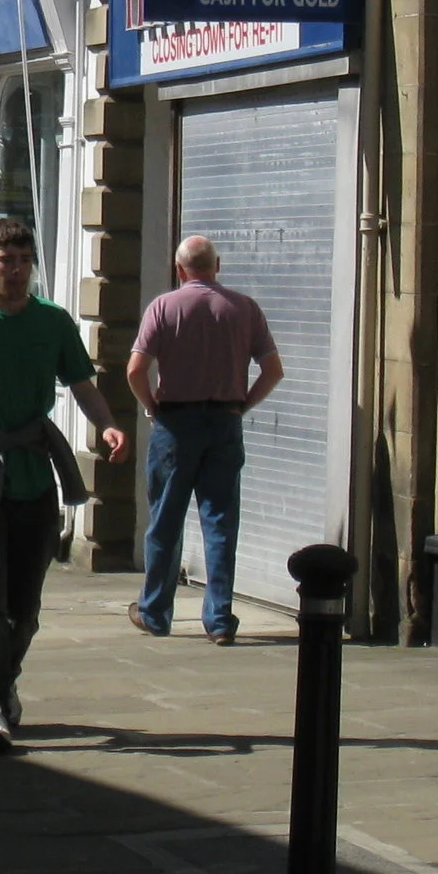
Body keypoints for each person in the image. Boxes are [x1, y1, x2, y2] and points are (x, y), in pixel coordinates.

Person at [0, 216, 130, 754]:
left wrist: (106, 423)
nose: (16, 272)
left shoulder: (53, 323)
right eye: (5, 262)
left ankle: (3, 680)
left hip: (35, 481)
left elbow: (82, 385)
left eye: (23, 262)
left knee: (26, 609)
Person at [124, 235, 285, 646]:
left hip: (176, 425)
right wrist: (241, 405)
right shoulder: (243, 309)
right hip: (224, 422)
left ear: (180, 270)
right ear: (219, 265)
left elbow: (135, 371)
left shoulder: (164, 307)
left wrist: (153, 407)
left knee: (165, 521)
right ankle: (218, 619)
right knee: (220, 522)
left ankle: (155, 612)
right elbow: (272, 370)